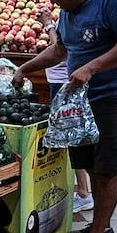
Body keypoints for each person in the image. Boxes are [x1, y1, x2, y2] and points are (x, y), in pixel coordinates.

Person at [12, 0, 117, 233]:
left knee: (106, 170)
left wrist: (91, 68)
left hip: (110, 97)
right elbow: (59, 50)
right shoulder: (68, 15)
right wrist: (24, 68)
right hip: (79, 105)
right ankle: (102, 227)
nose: (52, 0)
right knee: (90, 166)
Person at [45, 50, 94, 214]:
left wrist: (47, 26)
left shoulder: (64, 25)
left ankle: (83, 193)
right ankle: (83, 191)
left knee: (71, 139)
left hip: (64, 82)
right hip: (62, 80)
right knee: (72, 139)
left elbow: (58, 49)